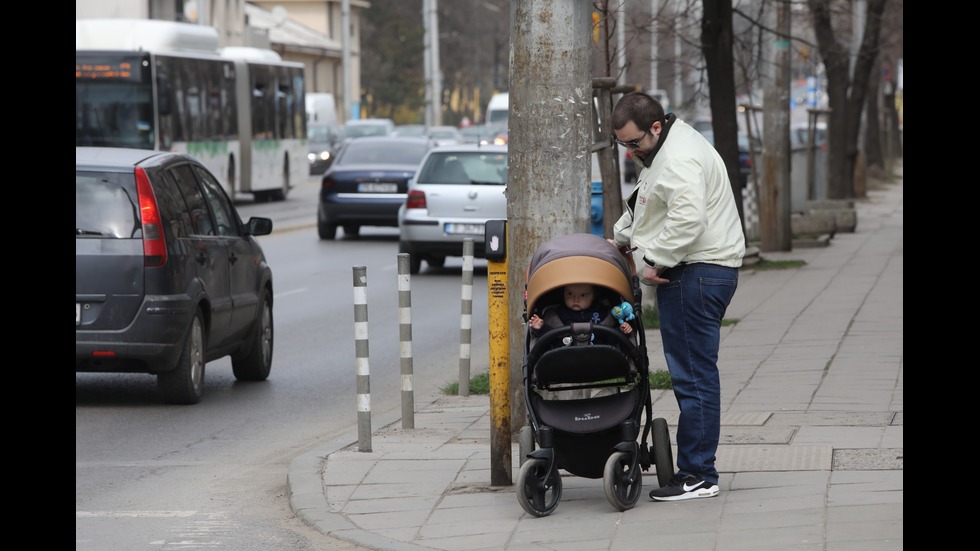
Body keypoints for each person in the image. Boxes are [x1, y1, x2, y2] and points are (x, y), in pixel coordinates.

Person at [610, 91, 744, 501]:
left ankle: (699, 475)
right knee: (695, 374)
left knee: (693, 377)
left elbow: (687, 218)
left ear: (655, 126)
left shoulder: (679, 157)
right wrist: (620, 238)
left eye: (634, 143)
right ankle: (697, 470)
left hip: (696, 273)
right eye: (623, 145)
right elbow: (649, 205)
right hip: (700, 271)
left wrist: (652, 261)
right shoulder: (667, 147)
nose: (630, 151)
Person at [528, 283, 633, 344]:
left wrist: (621, 330)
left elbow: (610, 338)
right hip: (564, 355)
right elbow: (550, 340)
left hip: (599, 353)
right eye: (570, 293)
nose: (575, 299)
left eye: (583, 295)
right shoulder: (558, 314)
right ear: (562, 293)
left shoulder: (603, 313)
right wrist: (540, 328)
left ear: (594, 295)